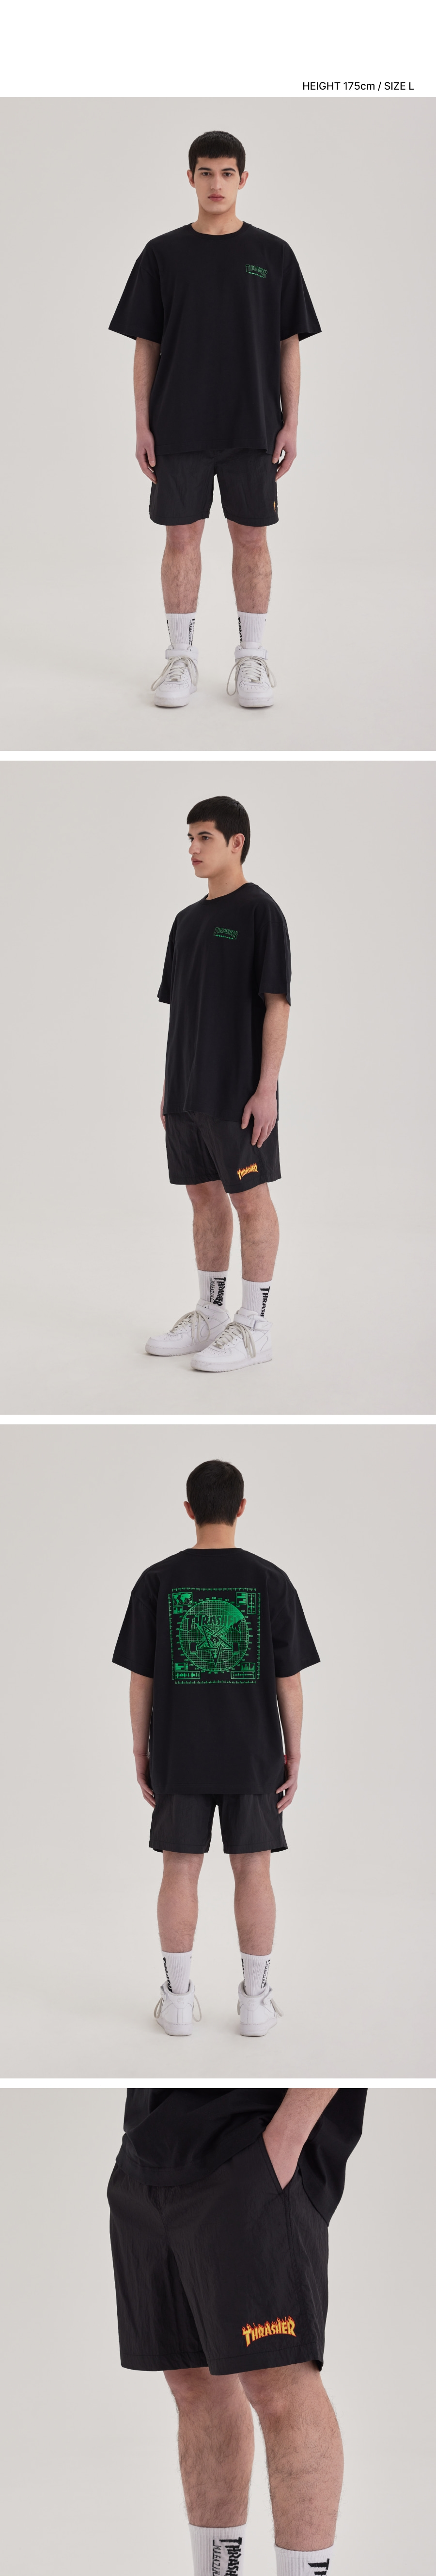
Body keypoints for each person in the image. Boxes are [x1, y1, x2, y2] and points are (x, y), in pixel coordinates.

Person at [93, 2084, 367, 2576]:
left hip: (254, 2149)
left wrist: (285, 2141)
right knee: (192, 2377)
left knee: (279, 2379)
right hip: (152, 2156)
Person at [109, 126, 320, 708]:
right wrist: (142, 423)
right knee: (182, 538)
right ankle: (180, 659)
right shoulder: (162, 254)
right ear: (191, 178)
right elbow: (146, 344)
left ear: (243, 179)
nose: (217, 183)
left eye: (228, 173)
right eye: (206, 172)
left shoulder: (273, 255)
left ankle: (252, 659)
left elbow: (290, 343)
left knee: (252, 538)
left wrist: (292, 421)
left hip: (254, 424)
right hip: (178, 424)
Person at [112, 1456, 319, 2036]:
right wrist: (294, 1752)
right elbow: (290, 1681)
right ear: (242, 1508)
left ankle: (178, 2002)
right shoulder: (270, 1580)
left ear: (189, 1510)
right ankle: (255, 2003)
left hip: (180, 1752)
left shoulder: (157, 1581)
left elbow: (141, 1680)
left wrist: (140, 1753)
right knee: (253, 1870)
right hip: (254, 1753)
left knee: (180, 1868)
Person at [146, 792, 291, 1372]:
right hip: (187, 1091)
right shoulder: (186, 922)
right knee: (203, 1197)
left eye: (204, 837)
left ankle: (255, 1327)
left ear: (237, 842)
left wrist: (267, 1088)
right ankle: (210, 1314)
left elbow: (278, 1003)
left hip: (238, 1092)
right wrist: (170, 1089)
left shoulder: (261, 912)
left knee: (249, 1199)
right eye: (189, 838)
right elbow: (182, 1011)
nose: (193, 848)